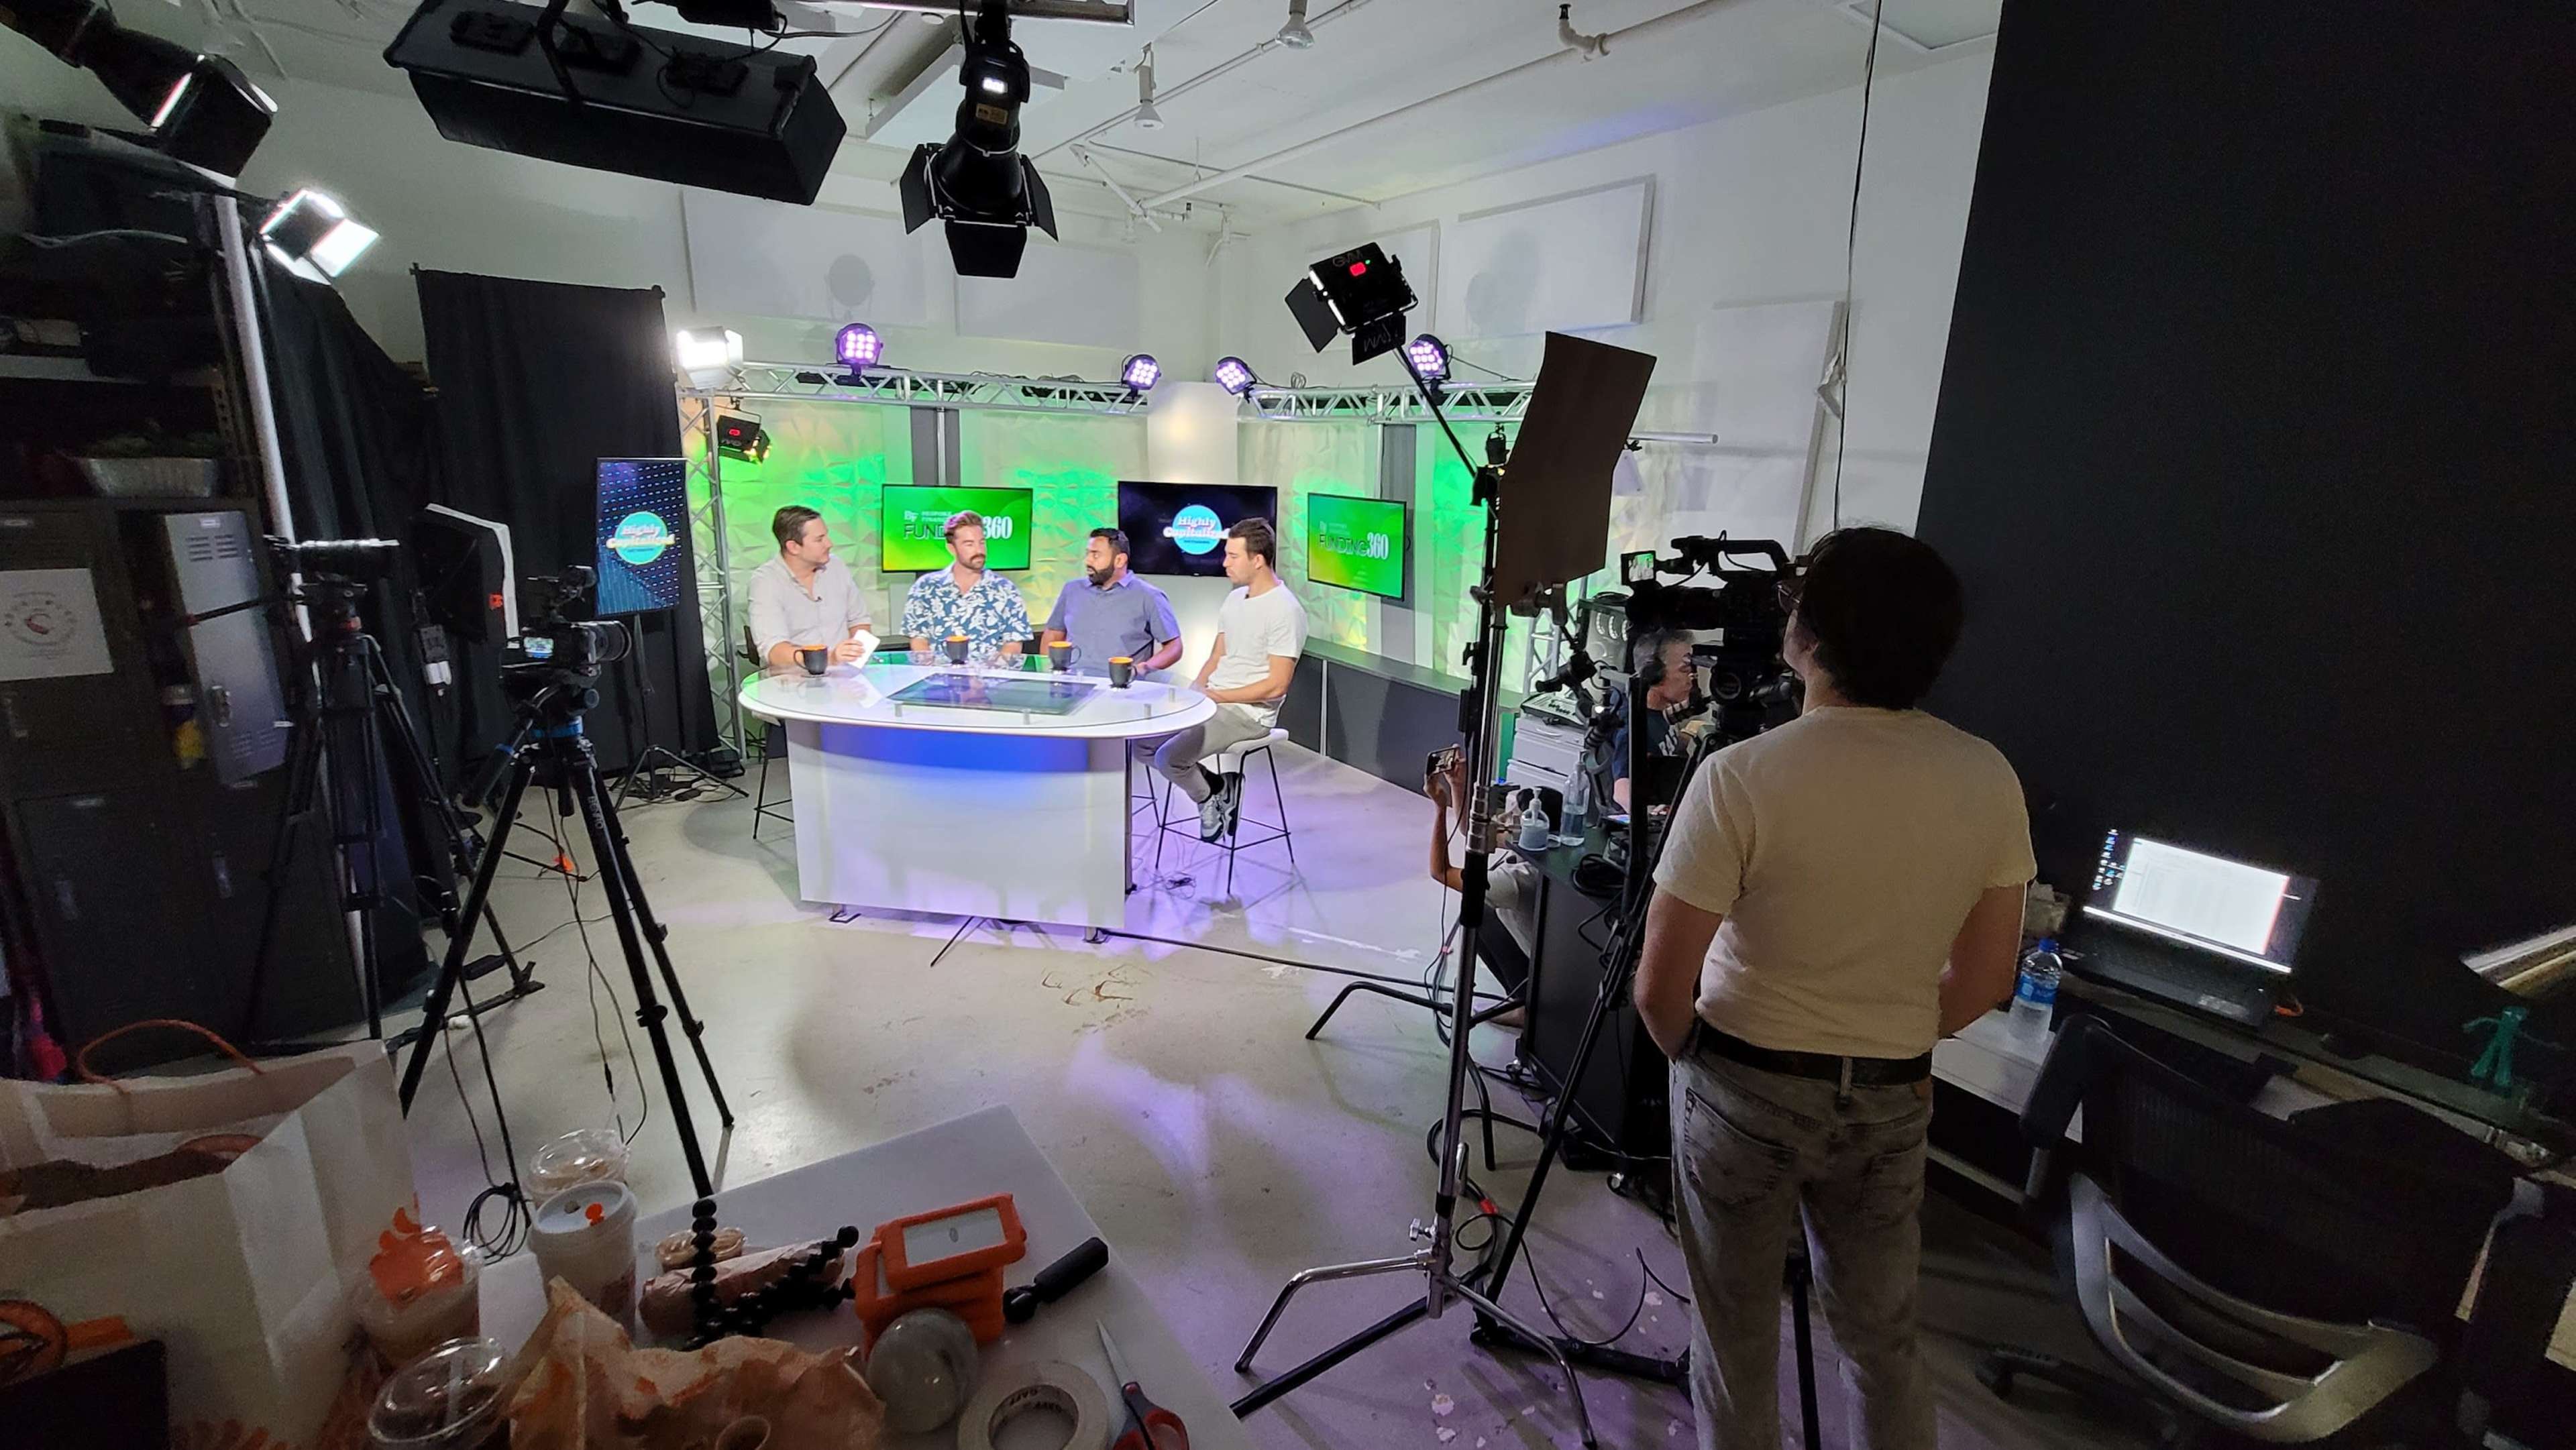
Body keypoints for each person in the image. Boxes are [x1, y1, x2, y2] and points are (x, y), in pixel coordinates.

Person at [1631, 526, 2033, 1450]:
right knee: (1883, 1340)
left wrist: (1699, 1058)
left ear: (1811, 634)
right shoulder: (1988, 776)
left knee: (1735, 1341)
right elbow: (1986, 976)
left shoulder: (1741, 776)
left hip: (1742, 1084)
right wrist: (1882, 1033)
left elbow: (1660, 986)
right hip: (1892, 1099)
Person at [1155, 518, 1307, 842]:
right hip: (1215, 700)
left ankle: (1208, 798)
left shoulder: (1285, 610)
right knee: (1145, 741)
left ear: (1258, 560)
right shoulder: (1234, 600)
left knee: (1168, 758)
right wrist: (1195, 693)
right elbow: (1215, 657)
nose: (1224, 563)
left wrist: (1217, 698)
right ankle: (1221, 785)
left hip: (1248, 714)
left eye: (1232, 556)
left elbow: (1277, 685)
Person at [1426, 752, 1537, 1016]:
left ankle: (1527, 1008)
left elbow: (1440, 871)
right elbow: (1472, 833)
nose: (1505, 818)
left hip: (1547, 976)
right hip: (1557, 965)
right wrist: (1457, 786)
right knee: (1484, 911)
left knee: (1476, 911)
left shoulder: (1514, 880)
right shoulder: (1538, 848)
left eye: (1514, 816)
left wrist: (1440, 808)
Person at [747, 505, 875, 671]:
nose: (830, 544)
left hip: (844, 678)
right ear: (793, 547)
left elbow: (859, 621)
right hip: (793, 684)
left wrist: (855, 658)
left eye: (826, 536)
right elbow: (774, 651)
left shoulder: (836, 566)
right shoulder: (766, 582)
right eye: (819, 539)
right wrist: (828, 658)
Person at [1042, 527, 1183, 677]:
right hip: (1072, 684)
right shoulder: (1072, 590)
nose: (1088, 561)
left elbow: (1174, 648)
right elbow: (1053, 633)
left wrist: (1142, 669)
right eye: (1088, 554)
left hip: (1122, 689)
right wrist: (1047, 674)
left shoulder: (1149, 596)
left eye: (1096, 555)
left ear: (1120, 560)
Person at [901, 510, 1030, 659]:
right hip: (938, 680)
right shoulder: (925, 588)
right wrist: (933, 671)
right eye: (969, 544)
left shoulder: (1006, 590)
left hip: (991, 680)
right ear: (951, 548)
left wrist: (986, 676)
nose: (979, 550)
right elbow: (918, 638)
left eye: (982, 542)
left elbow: (1013, 643)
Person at [1603, 628, 1701, 812]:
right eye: (1685, 670)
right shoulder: (1633, 725)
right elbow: (1622, 791)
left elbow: (1660, 746)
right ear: (1654, 675)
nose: (1692, 678)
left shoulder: (1658, 711)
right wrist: (1658, 814)